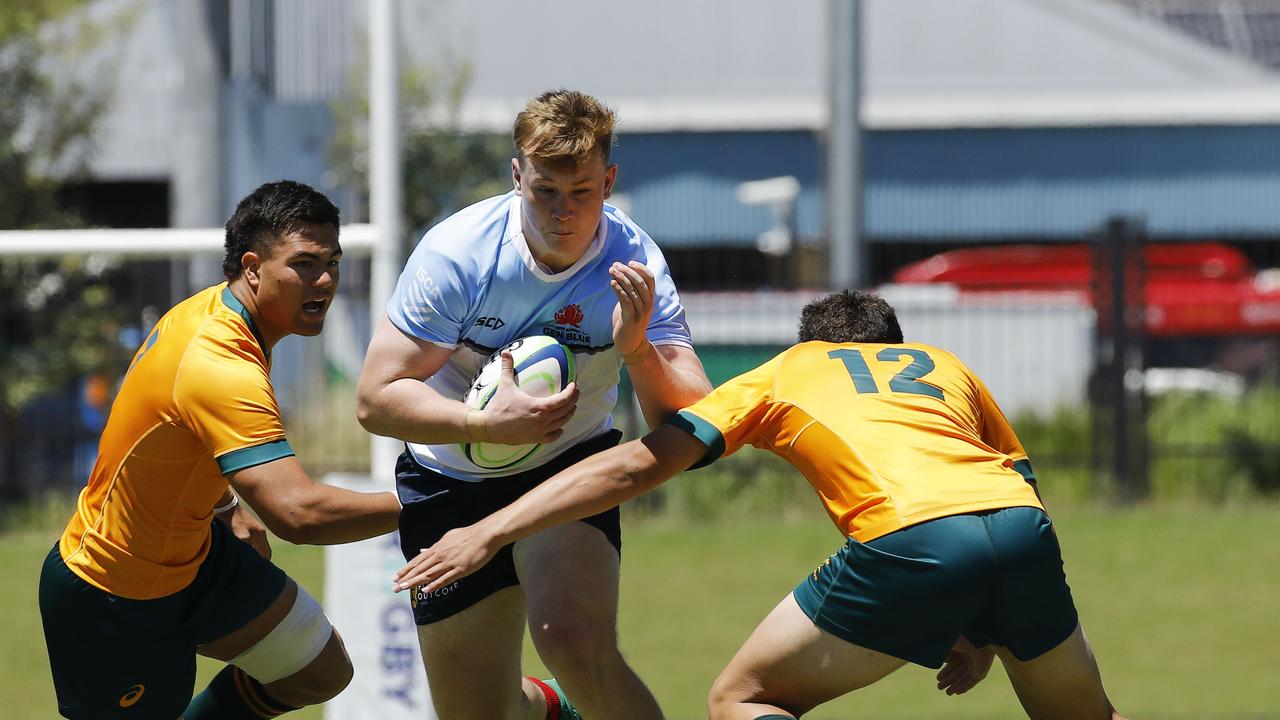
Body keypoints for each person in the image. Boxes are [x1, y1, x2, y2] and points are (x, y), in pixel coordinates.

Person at [394, 289, 1128, 720]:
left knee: (741, 698)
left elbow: (634, 467)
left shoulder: (790, 369)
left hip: (910, 539)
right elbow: (1006, 499)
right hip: (1023, 532)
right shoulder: (947, 368)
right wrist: (985, 625)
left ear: (813, 343)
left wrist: (490, 529)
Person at [356, 88, 711, 720]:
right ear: (517, 175)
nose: (563, 212)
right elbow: (375, 400)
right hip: (449, 476)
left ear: (609, 180)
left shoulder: (634, 262)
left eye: (581, 192)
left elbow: (698, 418)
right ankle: (547, 711)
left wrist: (637, 352)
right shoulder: (457, 256)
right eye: (545, 190)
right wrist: (481, 422)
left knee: (573, 643)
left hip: (567, 465)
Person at [39, 180, 402, 720]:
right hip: (112, 591)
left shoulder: (220, 315)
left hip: (196, 557)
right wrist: (433, 502)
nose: (325, 280)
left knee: (320, 669)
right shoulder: (220, 361)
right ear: (253, 268)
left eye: (332, 261)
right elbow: (297, 514)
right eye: (304, 264)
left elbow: (176, 436)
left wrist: (227, 508)